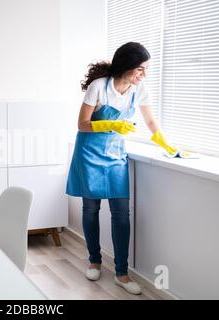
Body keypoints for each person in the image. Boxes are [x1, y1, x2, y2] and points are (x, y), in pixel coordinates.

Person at [66, 42, 180, 295]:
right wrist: (112, 125)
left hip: (115, 155)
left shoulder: (139, 90)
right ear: (125, 66)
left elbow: (150, 120)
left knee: (121, 213)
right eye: (140, 69)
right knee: (91, 208)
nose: (144, 75)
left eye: (146, 69)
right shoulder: (99, 87)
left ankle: (121, 273)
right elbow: (82, 124)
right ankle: (94, 260)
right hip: (89, 153)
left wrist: (166, 144)